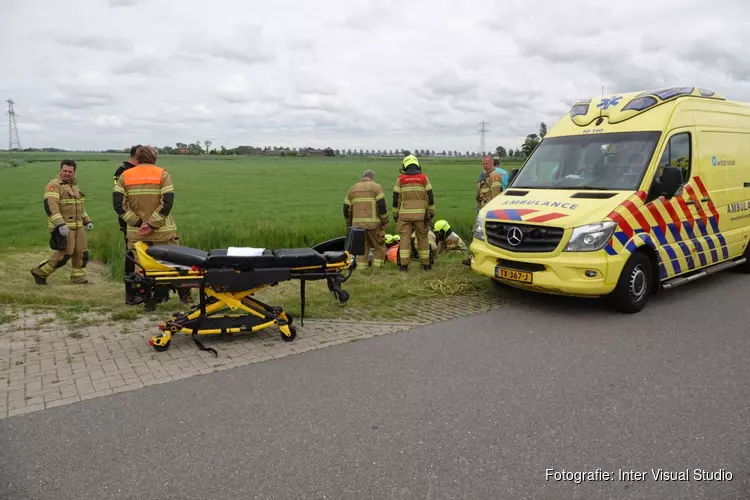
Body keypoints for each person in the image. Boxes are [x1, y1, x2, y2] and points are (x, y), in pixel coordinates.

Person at [113, 145, 191, 307]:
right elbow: (167, 203)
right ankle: (185, 297)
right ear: (154, 158)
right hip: (163, 231)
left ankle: (146, 300)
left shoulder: (125, 176)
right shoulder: (162, 174)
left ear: (138, 158)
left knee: (140, 269)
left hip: (137, 233)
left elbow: (119, 205)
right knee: (176, 264)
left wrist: (139, 223)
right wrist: (152, 224)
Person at [31, 160, 93, 285]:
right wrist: (60, 224)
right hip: (64, 227)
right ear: (60, 170)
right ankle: (40, 273)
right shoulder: (54, 185)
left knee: (82, 253)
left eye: (70, 171)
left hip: (78, 226)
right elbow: (51, 206)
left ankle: (78, 278)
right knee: (65, 255)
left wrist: (87, 221)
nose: (67, 173)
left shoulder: (74, 186)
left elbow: (80, 206)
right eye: (64, 170)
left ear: (74, 172)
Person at [392, 154, 435, 271]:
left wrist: (395, 214)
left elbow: (396, 198)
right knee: (422, 238)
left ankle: (404, 266)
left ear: (405, 166)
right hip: (421, 215)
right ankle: (426, 264)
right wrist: (431, 211)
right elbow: (430, 196)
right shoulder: (423, 178)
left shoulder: (400, 179)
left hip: (404, 215)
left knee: (405, 238)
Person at [343, 169, 388, 270]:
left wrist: (349, 223)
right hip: (374, 225)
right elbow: (382, 206)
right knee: (379, 247)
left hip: (357, 226)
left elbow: (346, 209)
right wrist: (384, 221)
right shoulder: (376, 187)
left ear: (363, 177)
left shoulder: (353, 189)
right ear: (372, 178)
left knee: (362, 249)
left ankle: (361, 270)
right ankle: (377, 270)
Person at [113, 145, 141, 282]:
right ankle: (130, 281)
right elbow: (120, 197)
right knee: (132, 251)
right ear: (138, 155)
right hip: (129, 218)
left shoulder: (141, 170)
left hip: (145, 218)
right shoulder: (122, 172)